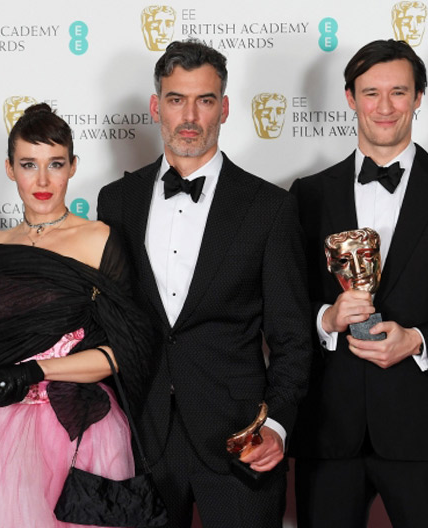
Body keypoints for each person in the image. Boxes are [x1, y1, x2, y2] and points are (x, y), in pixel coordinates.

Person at [289, 39, 428, 528]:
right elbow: (282, 307)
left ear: (418, 98)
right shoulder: (306, 195)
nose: (385, 107)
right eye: (371, 92)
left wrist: (418, 340)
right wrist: (325, 320)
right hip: (329, 432)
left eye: (398, 91)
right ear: (350, 98)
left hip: (426, 431)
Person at [97, 39, 313, 527]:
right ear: (156, 107)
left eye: (205, 100)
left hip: (239, 439)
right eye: (176, 99)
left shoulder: (269, 209)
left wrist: (276, 424)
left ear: (225, 107)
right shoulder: (116, 201)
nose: (190, 115)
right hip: (140, 438)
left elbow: (292, 338)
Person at [0, 103, 153, 527]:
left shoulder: (99, 239)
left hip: (81, 428)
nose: (42, 180)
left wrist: (37, 371)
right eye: (28, 164)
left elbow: (124, 351)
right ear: (8, 168)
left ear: (73, 166)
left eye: (55, 164)